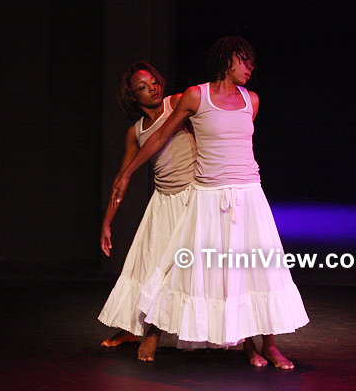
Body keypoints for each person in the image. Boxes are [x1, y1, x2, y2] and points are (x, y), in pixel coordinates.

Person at [112, 36, 309, 369]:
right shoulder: (196, 96)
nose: (250, 67)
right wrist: (127, 172)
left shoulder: (251, 100)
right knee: (217, 273)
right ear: (227, 61)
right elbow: (160, 135)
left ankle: (269, 345)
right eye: (244, 61)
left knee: (259, 270)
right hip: (209, 197)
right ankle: (242, 344)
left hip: (248, 194)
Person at [97, 62, 197, 347]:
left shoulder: (176, 103)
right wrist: (106, 223)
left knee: (182, 268)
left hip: (192, 199)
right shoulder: (136, 131)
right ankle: (134, 327)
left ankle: (157, 333)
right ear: (132, 96)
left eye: (154, 82)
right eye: (143, 87)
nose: (152, 89)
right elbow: (121, 179)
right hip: (163, 203)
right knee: (147, 265)